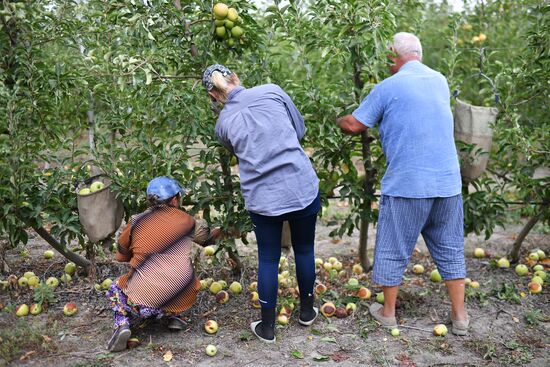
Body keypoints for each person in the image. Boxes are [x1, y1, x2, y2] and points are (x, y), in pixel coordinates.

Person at [336, 32, 468, 335]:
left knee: (393, 248)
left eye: (388, 56)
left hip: (409, 184)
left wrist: (338, 120)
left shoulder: (388, 87)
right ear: (419, 54)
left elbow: (356, 124)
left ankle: (388, 312)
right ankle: (460, 318)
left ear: (395, 57)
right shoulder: (440, 81)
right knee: (450, 248)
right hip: (448, 183)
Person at [202, 64, 320, 343]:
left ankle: (267, 328)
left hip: (264, 197)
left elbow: (240, 152)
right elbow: (299, 131)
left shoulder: (223, 125)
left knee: (268, 258)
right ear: (236, 77)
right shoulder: (272, 92)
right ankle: (306, 312)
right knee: (304, 249)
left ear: (213, 96)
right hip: (300, 185)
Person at [106, 176, 220, 352]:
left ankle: (122, 325)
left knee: (115, 288)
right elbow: (207, 239)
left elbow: (121, 257)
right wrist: (225, 229)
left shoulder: (137, 221)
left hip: (143, 304)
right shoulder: (188, 221)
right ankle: (176, 316)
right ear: (175, 199)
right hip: (181, 298)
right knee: (180, 270)